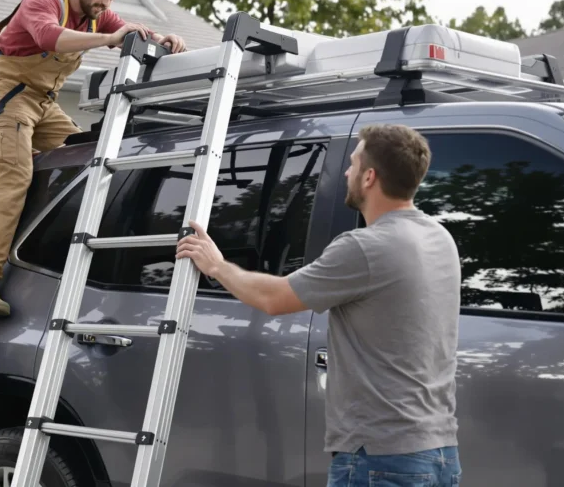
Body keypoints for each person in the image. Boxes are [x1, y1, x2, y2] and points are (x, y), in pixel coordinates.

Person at [175, 124, 463, 486]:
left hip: (381, 457)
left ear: (370, 177)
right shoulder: (440, 238)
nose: (346, 171)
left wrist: (216, 265)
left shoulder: (365, 247)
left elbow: (274, 298)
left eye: (354, 163)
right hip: (439, 452)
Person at [0, 0, 189, 316]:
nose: (107, 3)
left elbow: (131, 32)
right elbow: (49, 36)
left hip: (42, 103)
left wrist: (165, 39)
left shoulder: (96, 13)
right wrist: (108, 38)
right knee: (14, 175)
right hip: (8, 97)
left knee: (89, 156)